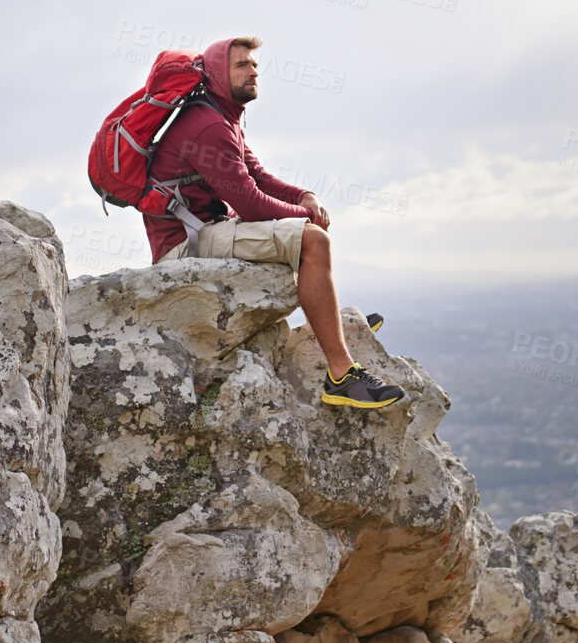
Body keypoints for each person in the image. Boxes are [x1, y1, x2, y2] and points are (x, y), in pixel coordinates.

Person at [145, 35, 405, 411]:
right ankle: (341, 376)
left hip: (206, 230)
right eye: (241, 65)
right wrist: (305, 218)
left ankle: (332, 330)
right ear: (218, 73)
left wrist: (304, 196)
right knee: (312, 241)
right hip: (185, 247)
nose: (253, 72)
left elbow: (258, 177)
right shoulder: (208, 127)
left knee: (303, 234)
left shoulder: (222, 116)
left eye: (254, 65)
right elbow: (249, 204)